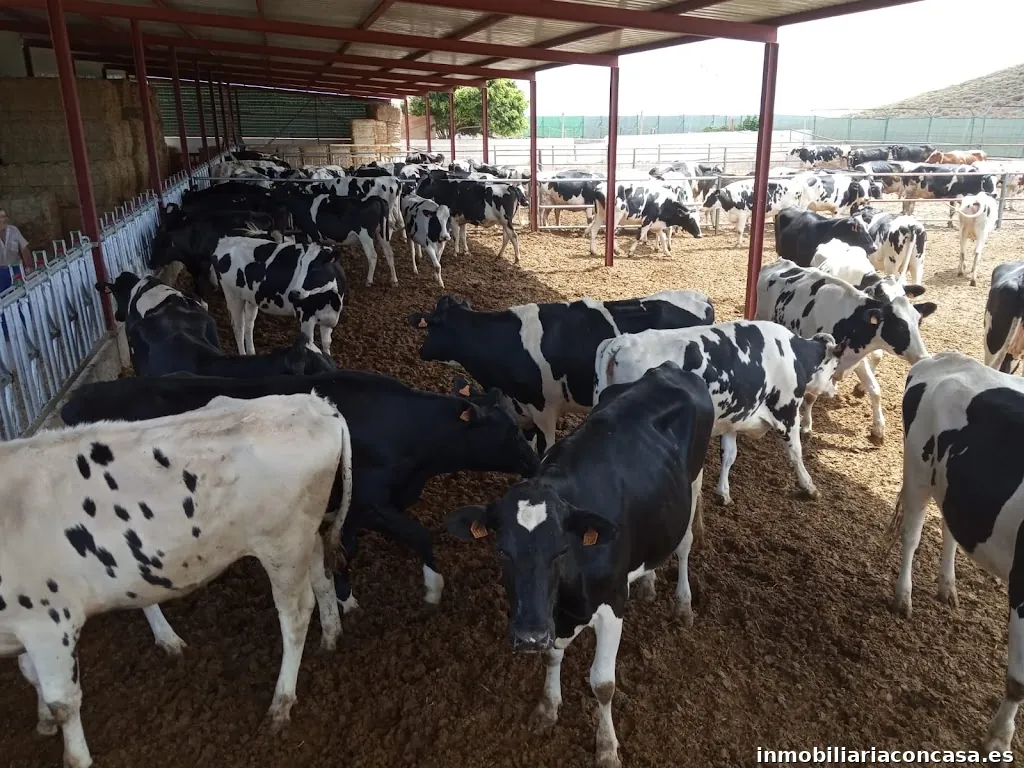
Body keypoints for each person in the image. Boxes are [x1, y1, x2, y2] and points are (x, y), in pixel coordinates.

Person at [0, 207, 30, 294]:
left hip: (16, 269)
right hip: (0, 272)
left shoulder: (14, 230)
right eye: (1, 217)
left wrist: (29, 267)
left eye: (4, 216)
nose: (4, 219)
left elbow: (24, 249)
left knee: (20, 295)